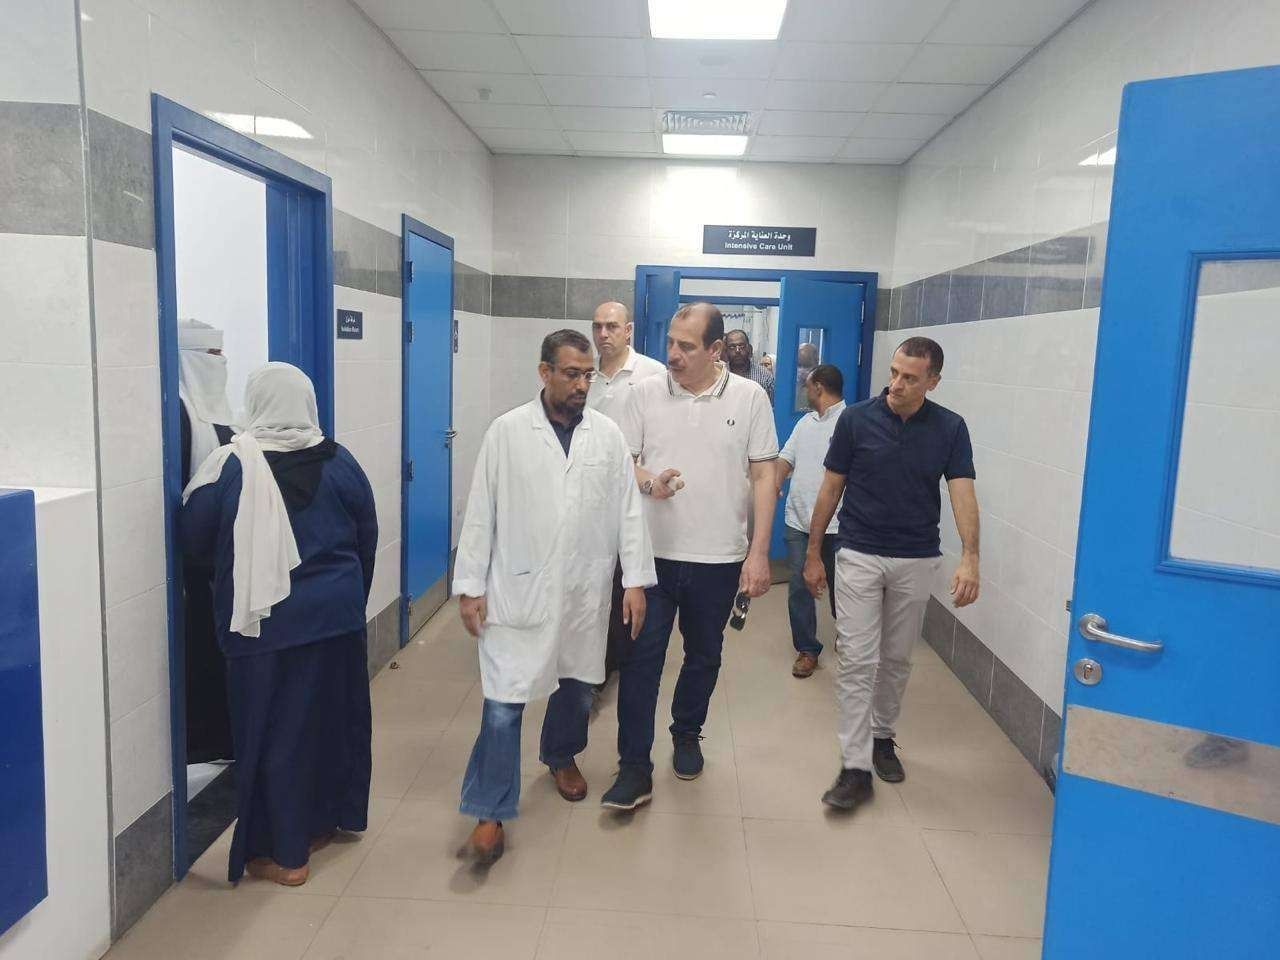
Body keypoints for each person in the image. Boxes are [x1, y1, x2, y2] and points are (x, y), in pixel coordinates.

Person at [453, 329, 655, 864]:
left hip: (585, 589)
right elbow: (481, 511)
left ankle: (561, 755)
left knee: (578, 687)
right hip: (517, 587)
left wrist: (635, 580)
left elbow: (628, 511)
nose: (582, 384)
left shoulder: (607, 436)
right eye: (571, 374)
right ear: (544, 373)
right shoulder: (507, 432)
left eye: (588, 375)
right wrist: (469, 585)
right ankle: (490, 811)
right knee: (504, 702)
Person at [181, 362, 377, 886]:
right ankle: (323, 824)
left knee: (273, 736)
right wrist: (347, 602)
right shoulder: (340, 460)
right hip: (336, 620)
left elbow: (194, 542)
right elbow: (367, 537)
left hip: (265, 628)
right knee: (330, 724)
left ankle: (286, 855)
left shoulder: (231, 466)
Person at [601, 303, 778, 811]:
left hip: (719, 559)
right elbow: (626, 462)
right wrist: (649, 483)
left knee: (704, 655)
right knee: (640, 661)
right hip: (651, 557)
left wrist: (758, 554)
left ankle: (686, 733)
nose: (673, 355)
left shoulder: (748, 397)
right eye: (670, 343)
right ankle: (634, 767)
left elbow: (764, 474)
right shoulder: (644, 392)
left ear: (716, 349)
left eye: (687, 346)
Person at [804, 337, 980, 812]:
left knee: (897, 658)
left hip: (916, 556)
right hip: (859, 551)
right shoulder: (856, 419)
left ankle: (882, 736)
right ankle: (854, 765)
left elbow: (962, 491)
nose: (896, 384)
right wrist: (814, 551)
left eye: (910, 378)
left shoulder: (950, 428)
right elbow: (830, 488)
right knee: (857, 659)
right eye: (894, 373)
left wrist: (971, 556)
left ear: (933, 382)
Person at [586, 301, 666, 679]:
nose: (603, 334)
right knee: (593, 584)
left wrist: (650, 480)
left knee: (626, 581)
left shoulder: (652, 373)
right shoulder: (585, 375)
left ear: (629, 330)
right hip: (587, 500)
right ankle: (594, 667)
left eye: (612, 326)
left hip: (635, 496)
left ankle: (616, 660)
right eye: (597, 326)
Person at [177, 318, 238, 764]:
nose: (221, 363)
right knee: (199, 650)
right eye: (211, 356)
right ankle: (202, 741)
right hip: (193, 565)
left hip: (223, 559)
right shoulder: (179, 415)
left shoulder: (219, 415)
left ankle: (223, 737)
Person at [776, 364, 846, 679]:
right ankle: (807, 650)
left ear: (818, 387)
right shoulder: (804, 423)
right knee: (799, 587)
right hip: (798, 520)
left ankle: (849, 639)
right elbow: (785, 458)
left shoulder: (850, 422)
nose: (804, 390)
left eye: (807, 385)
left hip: (838, 525)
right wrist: (774, 482)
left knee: (843, 590)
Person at [724, 328, 776, 404]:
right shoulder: (720, 374)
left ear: (749, 348)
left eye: (741, 346)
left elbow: (772, 406)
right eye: (732, 347)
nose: (737, 350)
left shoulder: (765, 376)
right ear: (726, 351)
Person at [794, 342, 820, 410]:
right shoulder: (789, 385)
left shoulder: (820, 388)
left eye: (806, 366)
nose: (801, 371)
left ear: (816, 363)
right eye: (799, 365)